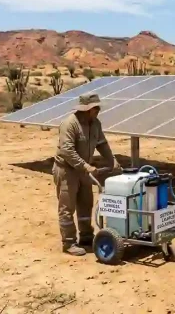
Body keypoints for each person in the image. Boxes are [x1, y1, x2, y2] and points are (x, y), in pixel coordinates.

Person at [52, 93, 122, 256]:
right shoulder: (70, 124)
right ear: (86, 109)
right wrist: (85, 165)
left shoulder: (95, 123)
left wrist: (112, 161)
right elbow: (67, 150)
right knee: (67, 207)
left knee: (86, 204)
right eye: (95, 108)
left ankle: (86, 236)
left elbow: (102, 143)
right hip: (67, 170)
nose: (98, 110)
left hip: (84, 171)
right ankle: (69, 242)